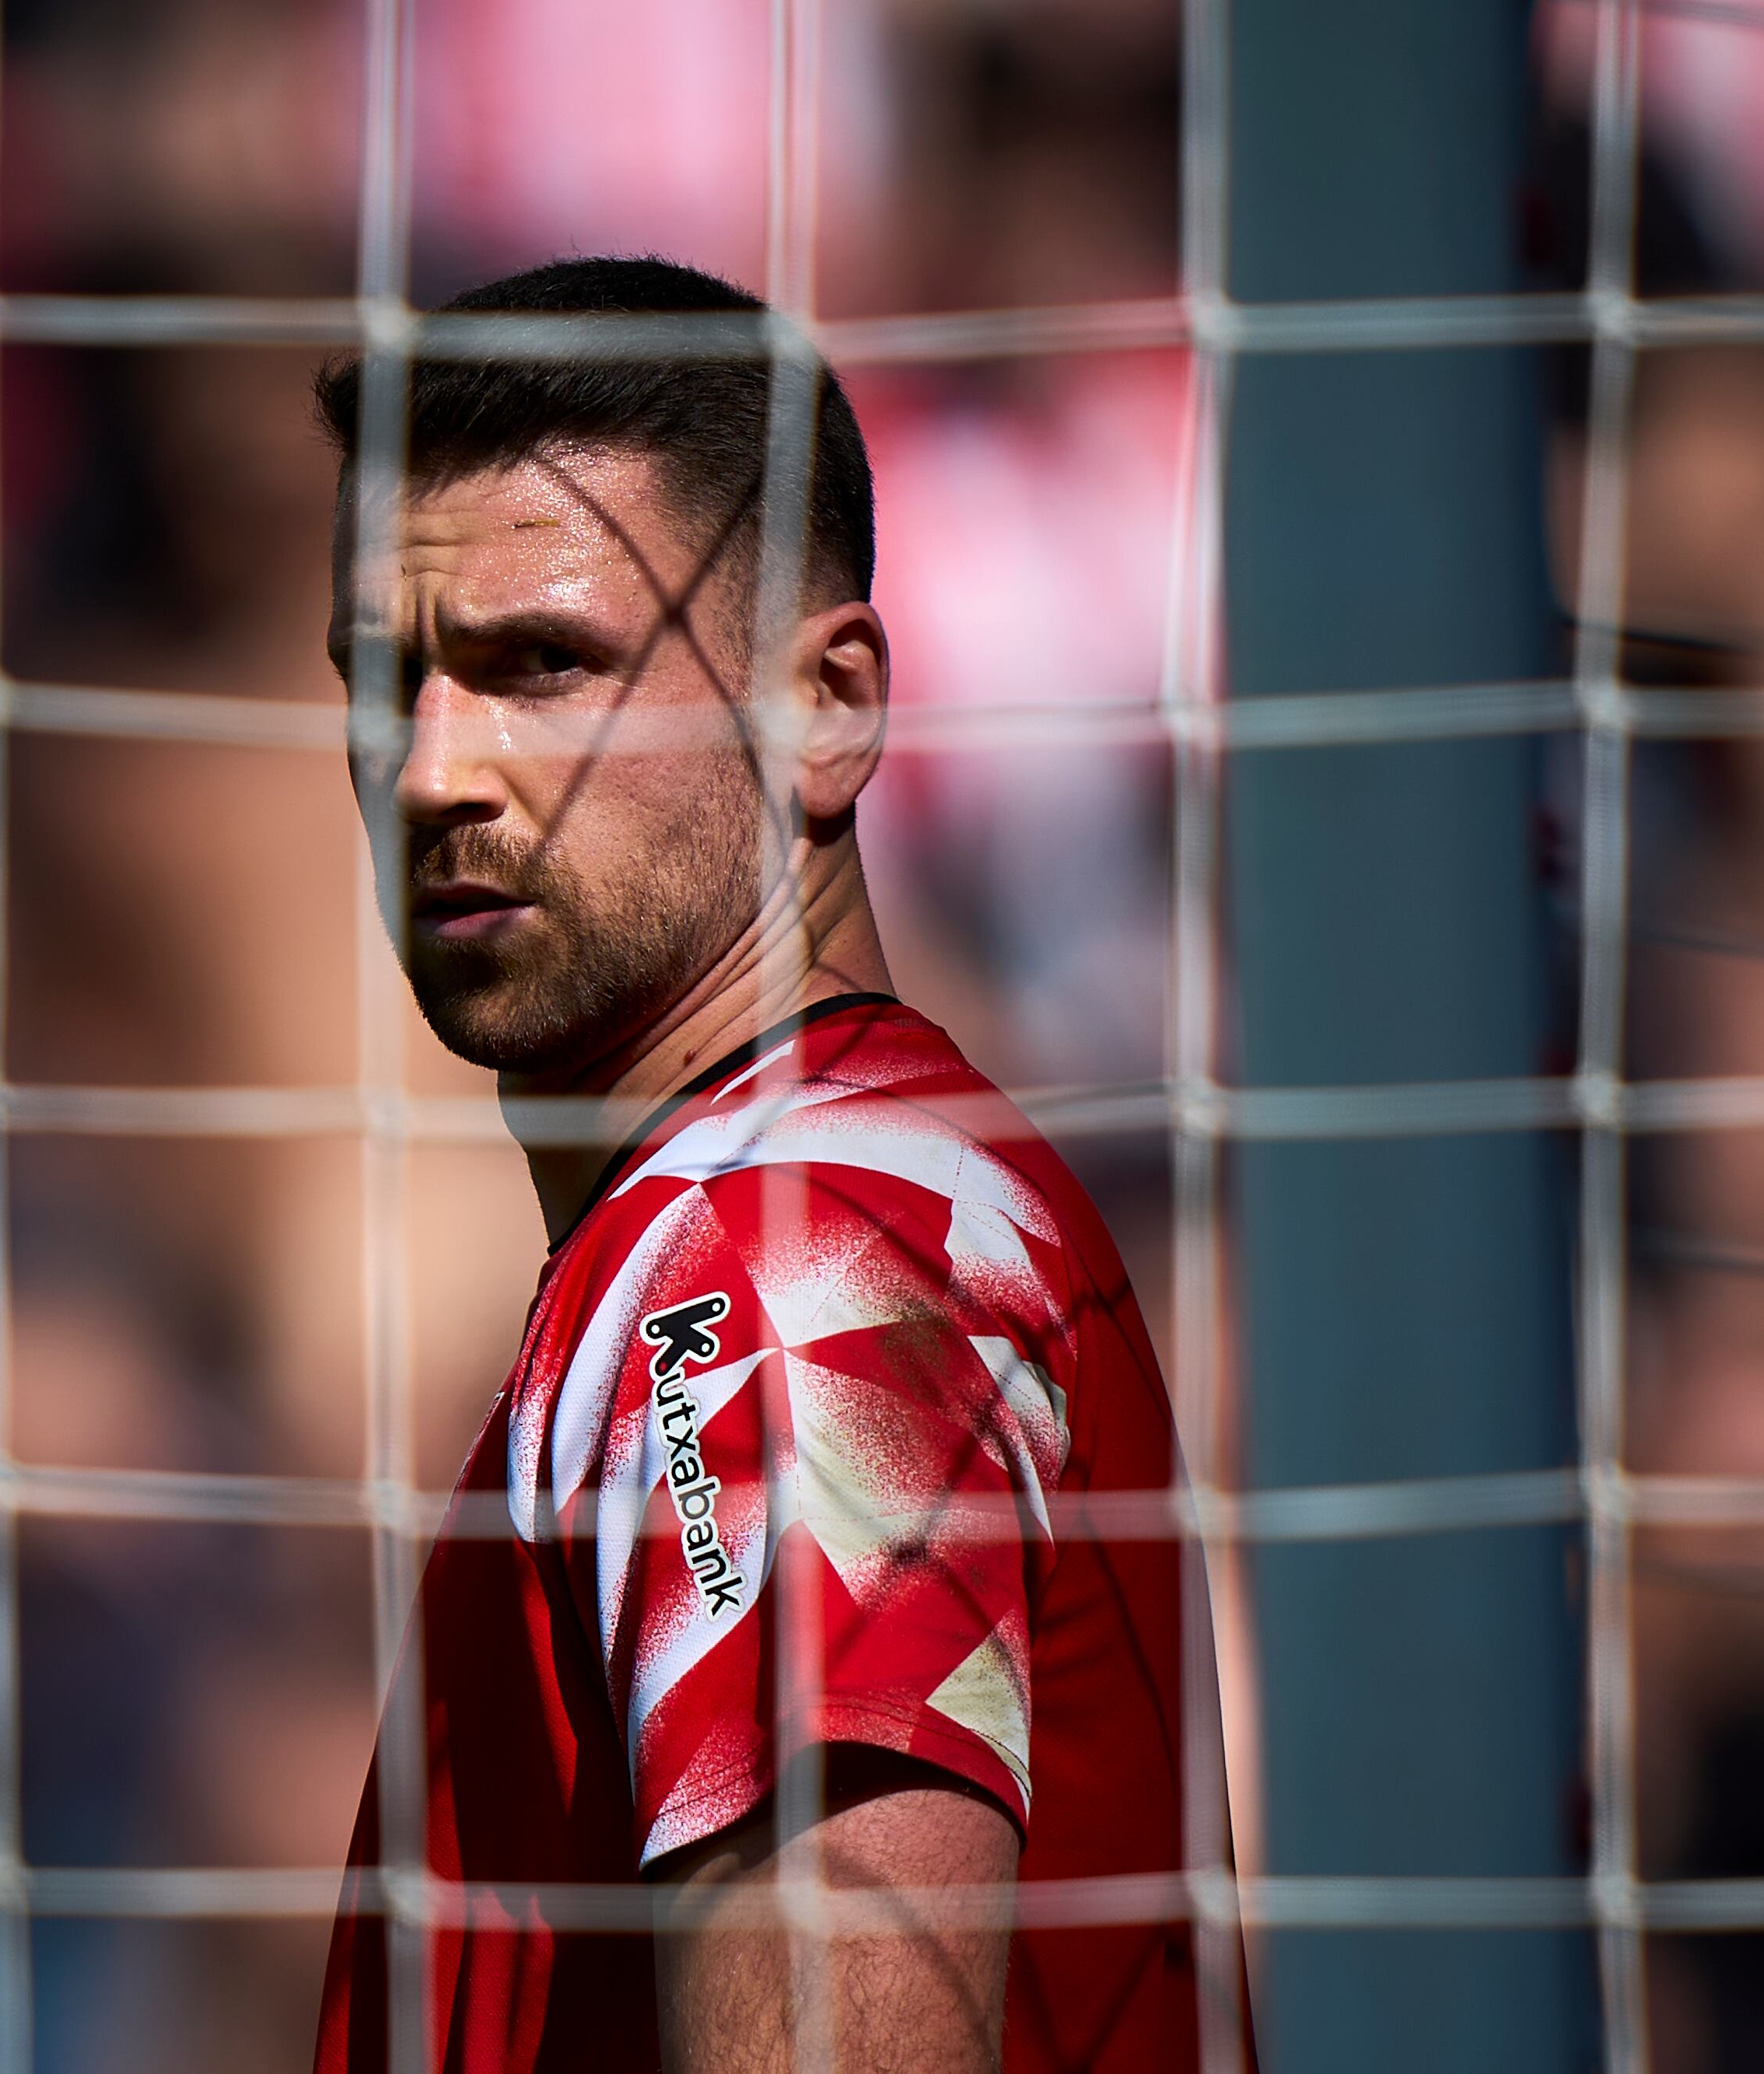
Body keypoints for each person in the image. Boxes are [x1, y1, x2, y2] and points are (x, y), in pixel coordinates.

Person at [306, 257, 1216, 2074]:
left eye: (538, 665)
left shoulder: (788, 1258)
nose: (428, 772)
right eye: (381, 677)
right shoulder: (815, 1196)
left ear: (828, 707)